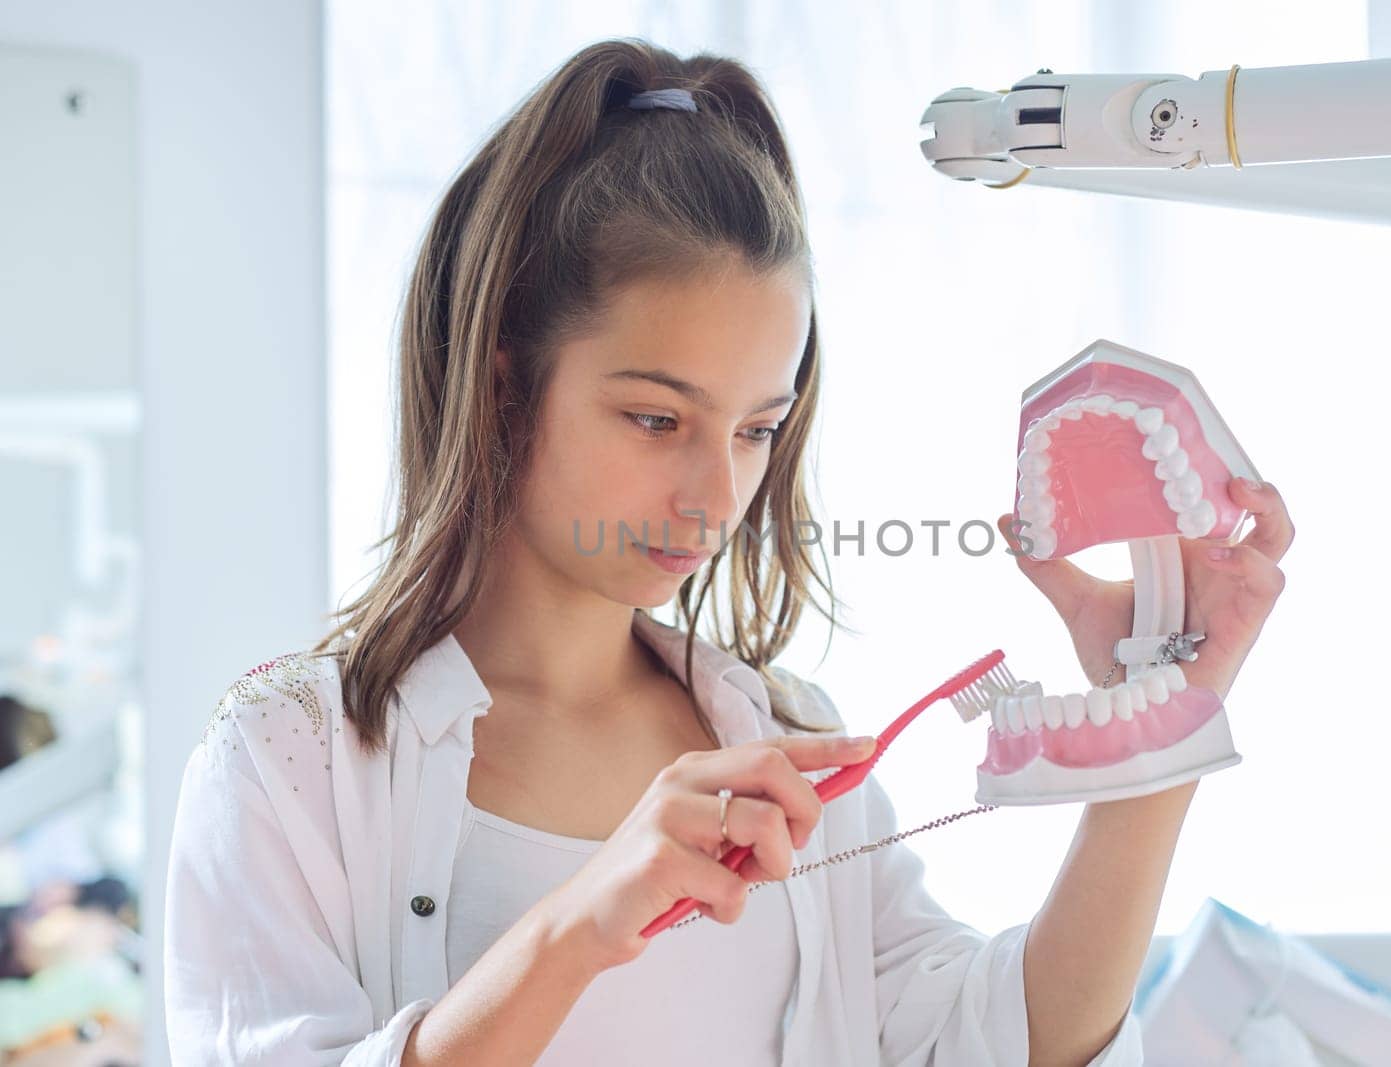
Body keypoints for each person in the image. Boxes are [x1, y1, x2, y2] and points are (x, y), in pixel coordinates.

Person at [163, 36, 1294, 1067]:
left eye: (756, 429)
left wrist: (1157, 724)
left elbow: (1006, 1044)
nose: (717, 495)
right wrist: (574, 923)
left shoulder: (787, 748)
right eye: (657, 418)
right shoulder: (287, 759)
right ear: (505, 382)